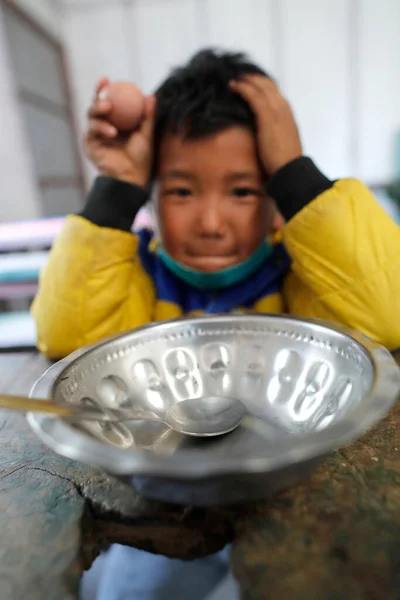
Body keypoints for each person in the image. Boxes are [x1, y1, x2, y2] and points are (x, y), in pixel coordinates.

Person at [32, 49, 400, 599]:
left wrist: (298, 175)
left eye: (243, 190)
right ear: (151, 197)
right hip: (167, 512)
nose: (209, 223)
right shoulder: (133, 276)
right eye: (180, 191)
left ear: (275, 200)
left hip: (296, 501)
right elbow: (66, 338)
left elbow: (389, 314)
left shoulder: (302, 275)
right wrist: (117, 185)